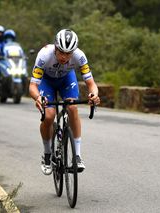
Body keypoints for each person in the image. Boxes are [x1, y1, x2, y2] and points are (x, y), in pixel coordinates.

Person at [29, 29, 100, 175]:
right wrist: (38, 98)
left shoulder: (80, 56)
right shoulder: (44, 55)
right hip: (46, 81)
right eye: (61, 52)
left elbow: (91, 84)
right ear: (55, 47)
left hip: (66, 79)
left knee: (72, 107)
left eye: (68, 54)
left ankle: (77, 156)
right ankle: (47, 154)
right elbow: (32, 86)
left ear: (74, 51)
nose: (64, 57)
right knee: (49, 115)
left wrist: (94, 95)